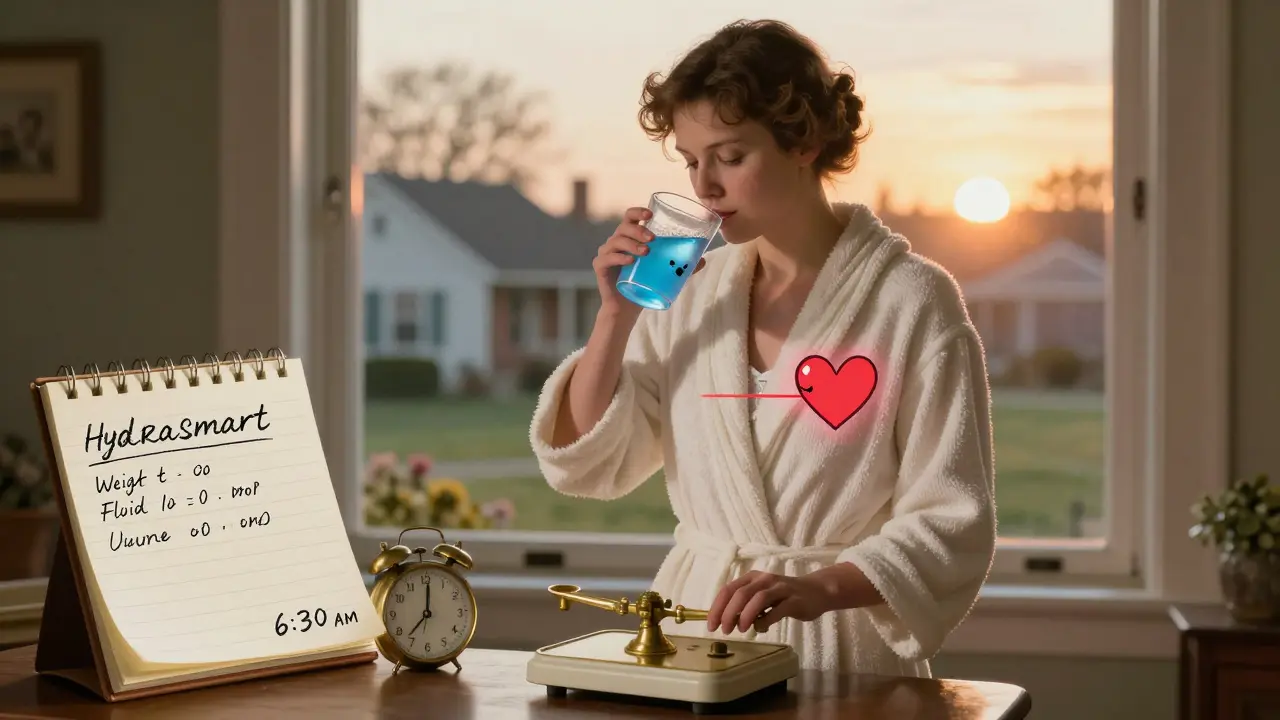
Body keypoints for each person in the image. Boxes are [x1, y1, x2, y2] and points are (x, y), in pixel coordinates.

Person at [527, 18, 996, 678]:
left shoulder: (911, 300)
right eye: (692, 161)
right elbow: (585, 465)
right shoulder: (691, 292)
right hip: (696, 638)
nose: (704, 187)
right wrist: (615, 319)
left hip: (840, 655)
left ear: (803, 142)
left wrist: (819, 588)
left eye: (730, 156)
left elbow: (954, 519)